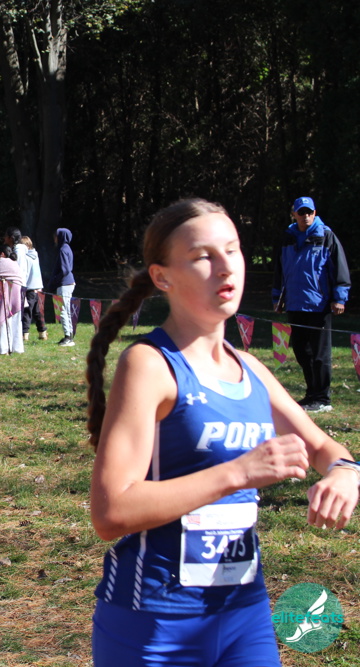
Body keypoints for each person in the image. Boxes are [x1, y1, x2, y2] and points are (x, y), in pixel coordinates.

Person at [86, 198, 359, 667]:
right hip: (154, 622)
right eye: (203, 256)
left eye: (232, 250)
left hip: (243, 617)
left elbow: (323, 446)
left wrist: (345, 472)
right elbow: (110, 511)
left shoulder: (250, 369)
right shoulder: (151, 365)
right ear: (163, 277)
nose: (226, 267)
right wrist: (239, 473)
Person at [272, 196, 350, 413]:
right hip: (295, 304)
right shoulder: (287, 238)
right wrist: (277, 298)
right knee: (301, 351)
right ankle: (311, 393)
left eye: (309, 212)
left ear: (314, 213)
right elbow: (279, 270)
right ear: (294, 214)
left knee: (319, 355)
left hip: (319, 305)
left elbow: (340, 268)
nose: (305, 216)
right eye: (301, 212)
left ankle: (323, 398)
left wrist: (339, 298)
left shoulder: (326, 236)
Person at [0, 245, 24, 354]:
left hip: (5, 295)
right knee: (16, 321)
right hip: (17, 295)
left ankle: (3, 349)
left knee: (3, 320)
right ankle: (17, 348)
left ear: (2, 254)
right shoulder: (14, 263)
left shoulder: (2, 262)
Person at [19, 235, 47, 341]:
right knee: (38, 312)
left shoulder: (25, 258)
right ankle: (42, 332)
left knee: (27, 312)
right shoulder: (35, 255)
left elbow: (25, 273)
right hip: (38, 288)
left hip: (29, 288)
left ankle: (24, 334)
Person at [53, 227, 76, 346]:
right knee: (66, 310)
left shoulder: (63, 249)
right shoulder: (67, 248)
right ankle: (69, 335)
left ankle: (68, 337)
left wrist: (54, 280)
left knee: (62, 310)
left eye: (56, 236)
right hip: (68, 283)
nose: (54, 238)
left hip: (64, 283)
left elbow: (65, 270)